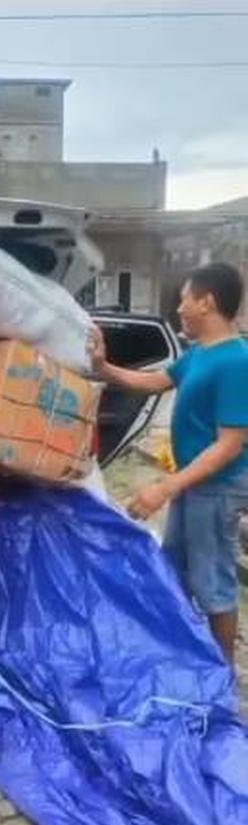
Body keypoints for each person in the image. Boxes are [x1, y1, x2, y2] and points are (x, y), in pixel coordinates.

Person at [90, 262, 248, 663]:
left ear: (206, 303)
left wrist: (165, 487)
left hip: (215, 489)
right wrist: (103, 368)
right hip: (192, 485)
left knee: (214, 585)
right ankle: (183, 655)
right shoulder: (200, 354)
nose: (179, 309)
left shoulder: (236, 362)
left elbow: (229, 446)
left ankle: (222, 676)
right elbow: (155, 382)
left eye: (184, 301)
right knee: (174, 569)